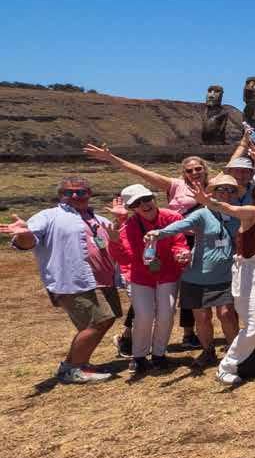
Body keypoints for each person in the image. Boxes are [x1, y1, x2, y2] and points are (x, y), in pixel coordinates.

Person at [82, 143, 210, 347]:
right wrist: (112, 158)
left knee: (190, 289)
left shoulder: (213, 187)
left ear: (205, 169)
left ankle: (188, 333)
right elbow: (143, 173)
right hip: (168, 237)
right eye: (189, 170)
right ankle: (128, 335)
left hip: (202, 241)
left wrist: (247, 141)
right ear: (183, 173)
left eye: (198, 168)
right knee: (148, 283)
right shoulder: (175, 185)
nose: (195, 173)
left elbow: (235, 171)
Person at [3, 176, 124, 383]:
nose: (75, 196)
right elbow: (28, 241)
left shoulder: (99, 219)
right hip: (73, 281)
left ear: (89, 194)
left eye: (81, 192)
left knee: (100, 321)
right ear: (61, 195)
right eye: (69, 192)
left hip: (103, 280)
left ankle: (76, 363)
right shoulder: (48, 216)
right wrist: (24, 234)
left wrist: (121, 221)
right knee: (99, 320)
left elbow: (116, 244)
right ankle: (72, 368)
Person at [189, 179, 255, 385]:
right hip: (250, 271)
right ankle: (227, 366)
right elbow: (229, 208)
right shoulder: (252, 213)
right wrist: (206, 201)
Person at [146, 173, 243, 368]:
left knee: (227, 314)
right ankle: (208, 352)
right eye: (221, 189)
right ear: (212, 192)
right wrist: (159, 233)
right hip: (197, 276)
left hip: (225, 276)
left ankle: (235, 352)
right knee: (202, 317)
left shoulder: (236, 213)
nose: (226, 193)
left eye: (230, 190)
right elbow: (181, 225)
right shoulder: (202, 213)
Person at [106, 184, 187, 373]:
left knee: (166, 315)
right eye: (137, 203)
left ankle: (159, 354)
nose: (144, 204)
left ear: (153, 198)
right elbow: (125, 257)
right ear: (132, 208)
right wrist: (115, 241)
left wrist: (181, 253)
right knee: (143, 316)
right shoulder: (129, 225)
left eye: (146, 199)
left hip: (168, 273)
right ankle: (139, 356)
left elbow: (179, 242)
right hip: (141, 276)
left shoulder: (172, 218)